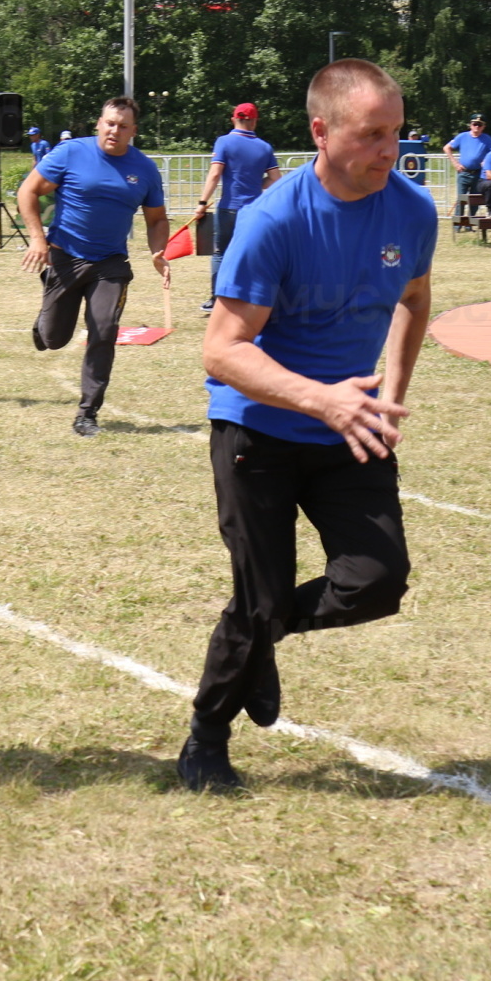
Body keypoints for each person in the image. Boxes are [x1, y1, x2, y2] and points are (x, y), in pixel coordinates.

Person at [178, 58, 433, 793]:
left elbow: (415, 296)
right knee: (258, 597)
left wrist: (390, 393)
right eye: (373, 133)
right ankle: (206, 736)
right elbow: (221, 350)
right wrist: (321, 399)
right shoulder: (273, 220)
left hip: (351, 426)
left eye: (397, 132)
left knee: (377, 582)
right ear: (321, 132)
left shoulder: (411, 210)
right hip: (258, 431)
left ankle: (260, 640)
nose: (391, 149)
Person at [17, 96, 169, 438]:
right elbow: (28, 191)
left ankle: (87, 413)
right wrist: (38, 239)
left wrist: (158, 252)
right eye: (110, 123)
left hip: (111, 264)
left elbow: (156, 219)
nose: (115, 130)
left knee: (104, 330)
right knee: (54, 338)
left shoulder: (144, 169)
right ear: (99, 124)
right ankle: (44, 322)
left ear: (134, 131)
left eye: (123, 126)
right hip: (65, 257)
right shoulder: (71, 153)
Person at [194, 101, 281, 312]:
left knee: (221, 253)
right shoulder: (264, 147)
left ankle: (216, 299)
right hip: (253, 210)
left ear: (234, 119)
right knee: (252, 253)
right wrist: (256, 184)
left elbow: (215, 174)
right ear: (254, 121)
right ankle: (252, 297)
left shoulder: (224, 142)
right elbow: (275, 179)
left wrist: (202, 203)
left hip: (229, 209)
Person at [443, 116, 491, 219]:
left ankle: (470, 223)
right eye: (474, 124)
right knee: (461, 199)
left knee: (475, 200)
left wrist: (486, 161)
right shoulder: (462, 137)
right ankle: (458, 224)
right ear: (470, 125)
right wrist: (455, 163)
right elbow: (447, 148)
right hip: (463, 173)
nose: (476, 127)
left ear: (483, 126)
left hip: (478, 173)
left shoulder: (487, 139)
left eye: (479, 125)